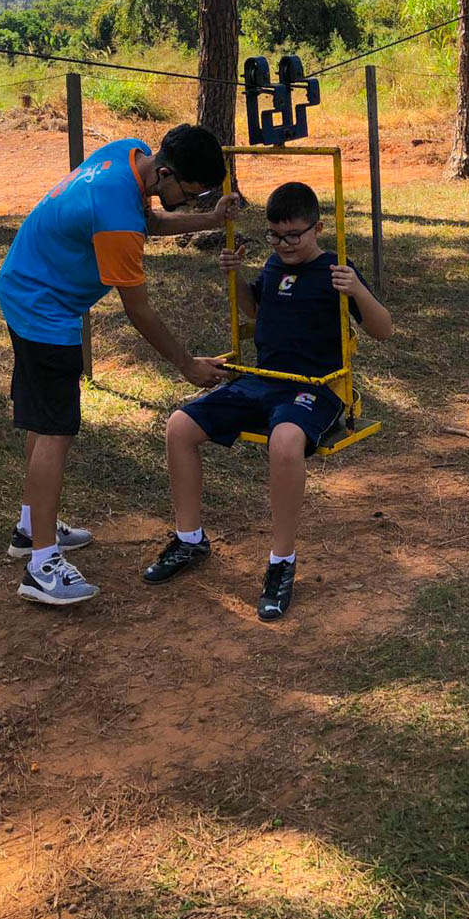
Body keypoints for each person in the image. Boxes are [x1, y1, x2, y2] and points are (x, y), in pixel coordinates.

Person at [0, 123, 237, 607]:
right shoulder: (116, 217)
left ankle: (31, 526)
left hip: (26, 285)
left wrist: (209, 219)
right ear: (165, 174)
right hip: (43, 307)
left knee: (44, 421)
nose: (189, 201)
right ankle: (41, 566)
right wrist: (187, 365)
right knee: (55, 430)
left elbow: (147, 222)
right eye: (190, 193)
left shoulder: (130, 153)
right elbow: (139, 311)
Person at [142, 180, 393, 621]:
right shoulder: (275, 266)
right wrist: (236, 277)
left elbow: (383, 329)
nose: (282, 245)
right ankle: (189, 539)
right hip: (265, 380)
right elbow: (255, 312)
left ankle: (281, 561)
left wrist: (357, 290)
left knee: (285, 442)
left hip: (315, 386)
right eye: (274, 236)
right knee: (179, 426)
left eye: (292, 236)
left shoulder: (337, 270)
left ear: (317, 229)